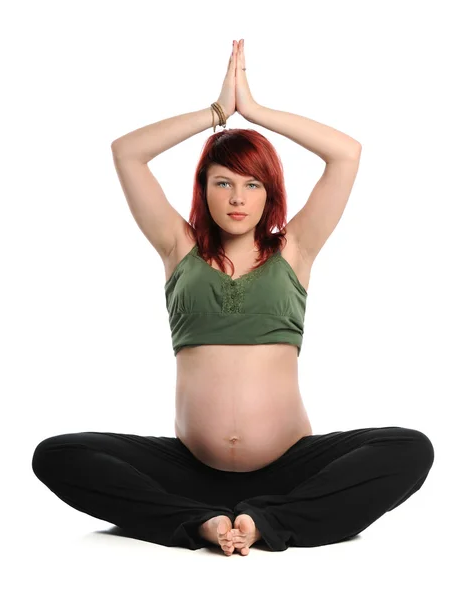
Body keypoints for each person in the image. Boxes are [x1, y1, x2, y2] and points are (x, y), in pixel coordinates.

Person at [31, 39, 434, 556]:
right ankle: (201, 521)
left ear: (269, 194)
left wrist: (257, 112)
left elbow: (346, 153)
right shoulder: (178, 248)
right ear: (204, 189)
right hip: (190, 472)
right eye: (223, 183)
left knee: (408, 450)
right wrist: (218, 113)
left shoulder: (295, 248)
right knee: (57, 456)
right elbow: (127, 152)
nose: (238, 198)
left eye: (252, 185)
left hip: (290, 469)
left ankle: (267, 520)